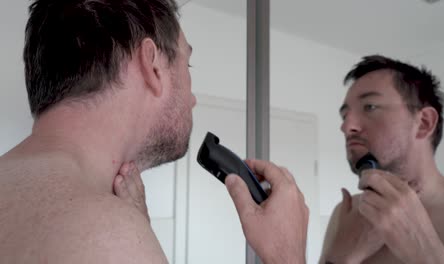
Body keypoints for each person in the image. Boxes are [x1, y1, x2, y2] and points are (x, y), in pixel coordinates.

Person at [0, 0, 309, 263]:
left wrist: (138, 227)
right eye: (187, 66)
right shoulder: (111, 241)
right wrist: (288, 256)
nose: (193, 98)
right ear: (153, 66)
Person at [320, 55, 444, 263]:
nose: (346, 126)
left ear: (424, 123)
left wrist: (424, 251)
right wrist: (340, 258)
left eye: (370, 107)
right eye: (345, 115)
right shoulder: (345, 216)